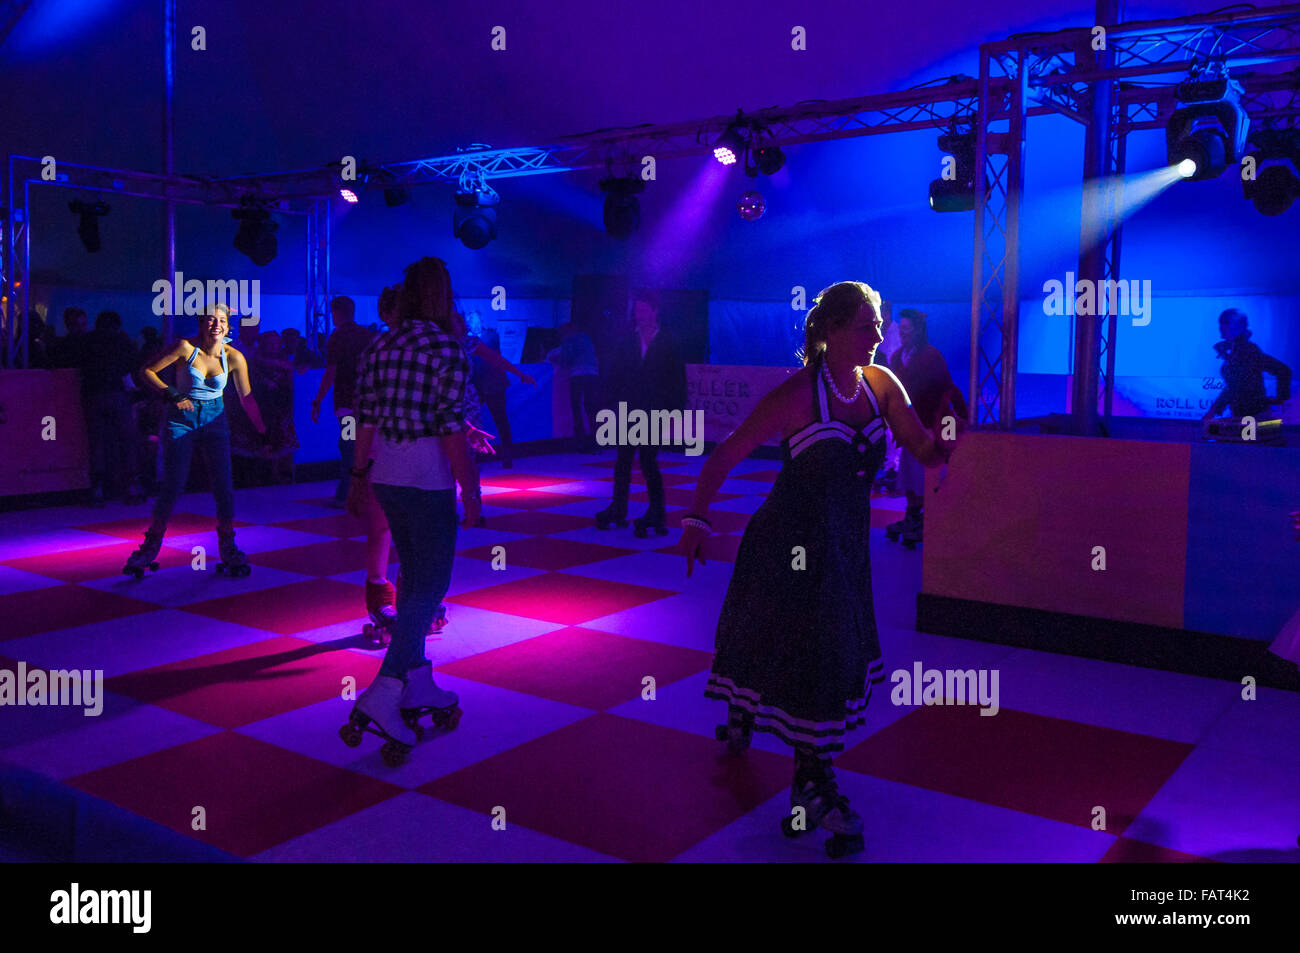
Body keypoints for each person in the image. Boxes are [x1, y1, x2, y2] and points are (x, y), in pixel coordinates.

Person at [677, 280, 956, 857]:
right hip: (788, 543)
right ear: (829, 332)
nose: (878, 335)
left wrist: (949, 440)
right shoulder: (797, 394)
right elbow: (725, 454)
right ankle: (812, 785)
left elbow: (924, 452)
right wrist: (697, 519)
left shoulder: (883, 385)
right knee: (809, 653)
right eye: (865, 325)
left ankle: (758, 728)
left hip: (846, 552)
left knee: (807, 649)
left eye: (879, 324)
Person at [342, 257, 483, 763]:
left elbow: (366, 418)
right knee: (431, 585)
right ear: (444, 295)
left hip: (386, 474)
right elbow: (449, 426)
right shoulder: (448, 346)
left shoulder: (381, 344)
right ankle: (386, 689)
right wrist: (470, 489)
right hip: (427, 478)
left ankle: (417, 680)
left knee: (413, 575)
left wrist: (358, 477)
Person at [123, 304, 267, 577]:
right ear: (201, 323)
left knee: (224, 486)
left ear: (228, 326)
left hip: (216, 419)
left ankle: (228, 546)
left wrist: (262, 429)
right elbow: (146, 372)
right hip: (181, 419)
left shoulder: (234, 356)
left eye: (221, 320)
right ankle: (150, 547)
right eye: (211, 320)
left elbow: (246, 397)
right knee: (173, 485)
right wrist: (173, 394)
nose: (216, 325)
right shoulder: (184, 348)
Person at [594, 290, 687, 535]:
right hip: (630, 408)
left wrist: (675, 412)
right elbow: (616, 374)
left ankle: (657, 512)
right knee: (622, 461)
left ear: (656, 311)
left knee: (648, 462)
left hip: (656, 410)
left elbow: (677, 380)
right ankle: (619, 507)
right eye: (637, 311)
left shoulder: (669, 341)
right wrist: (608, 402)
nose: (640, 316)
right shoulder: (628, 340)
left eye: (644, 311)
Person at [885, 309, 966, 547]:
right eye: (900, 330)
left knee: (924, 475)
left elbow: (948, 388)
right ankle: (913, 517)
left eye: (906, 330)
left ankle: (923, 519)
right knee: (910, 475)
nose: (902, 334)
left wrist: (962, 416)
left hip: (929, 426)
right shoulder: (898, 357)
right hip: (909, 427)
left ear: (919, 331)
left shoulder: (932, 356)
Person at [312, 295, 376, 507]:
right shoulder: (368, 335)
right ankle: (366, 492)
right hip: (368, 403)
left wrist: (318, 400)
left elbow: (331, 372)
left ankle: (346, 494)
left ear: (336, 313)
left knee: (349, 446)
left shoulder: (337, 337)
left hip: (346, 404)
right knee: (364, 446)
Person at [79, 311, 145, 505]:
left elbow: (78, 366)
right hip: (117, 395)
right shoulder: (123, 342)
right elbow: (131, 368)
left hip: (92, 395)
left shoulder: (87, 341)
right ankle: (130, 486)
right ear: (117, 325)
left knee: (97, 442)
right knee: (127, 441)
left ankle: (97, 489)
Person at [464, 310, 535, 469]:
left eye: (475, 319)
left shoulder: (488, 337)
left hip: (493, 383)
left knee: (499, 419)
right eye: (470, 320)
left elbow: (494, 358)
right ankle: (472, 456)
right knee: (471, 420)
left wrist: (520, 374)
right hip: (478, 384)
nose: (472, 323)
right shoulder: (469, 339)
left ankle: (506, 454)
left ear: (480, 321)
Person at [1201, 309, 1291, 423]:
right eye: (1221, 323)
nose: (1221, 327)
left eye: (1226, 323)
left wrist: (1281, 398)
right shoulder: (1242, 350)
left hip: (1252, 416)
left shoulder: (1246, 351)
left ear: (1238, 326)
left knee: (1245, 440)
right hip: (1250, 415)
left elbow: (1234, 387)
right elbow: (1235, 385)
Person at [547, 321, 601, 453]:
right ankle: (595, 442)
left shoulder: (568, 339)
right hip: (593, 373)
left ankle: (580, 441)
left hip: (578, 375)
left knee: (576, 406)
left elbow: (566, 358)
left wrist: (554, 359)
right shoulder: (586, 338)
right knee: (591, 408)